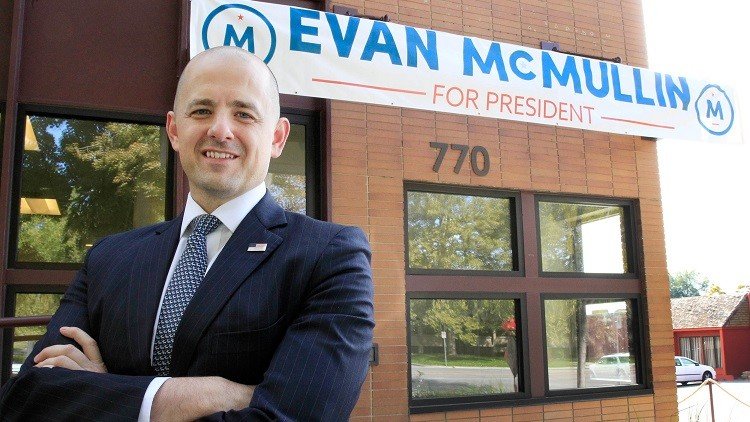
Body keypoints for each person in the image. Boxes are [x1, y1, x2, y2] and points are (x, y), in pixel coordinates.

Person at [0, 46, 375, 421]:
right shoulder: (107, 258)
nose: (220, 130)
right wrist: (198, 395)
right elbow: (25, 399)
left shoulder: (329, 256)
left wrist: (103, 394)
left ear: (277, 138)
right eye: (201, 111)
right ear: (174, 130)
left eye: (244, 114)